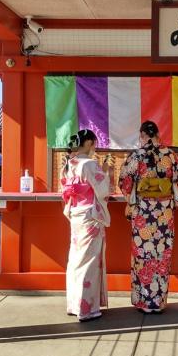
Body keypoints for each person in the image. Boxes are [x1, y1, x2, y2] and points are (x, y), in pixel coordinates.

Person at [119, 120, 178, 314]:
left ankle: (144, 302)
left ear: (142, 136)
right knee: (162, 255)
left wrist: (131, 198)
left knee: (143, 255)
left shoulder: (136, 156)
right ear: (157, 134)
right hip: (164, 213)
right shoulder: (171, 155)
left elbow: (124, 181)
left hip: (143, 212)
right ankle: (159, 302)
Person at [61, 129, 114, 322]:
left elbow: (66, 190)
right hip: (90, 216)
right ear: (90, 143)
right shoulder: (90, 165)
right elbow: (103, 191)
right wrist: (107, 170)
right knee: (89, 261)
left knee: (76, 258)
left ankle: (74, 304)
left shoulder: (69, 163)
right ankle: (86, 309)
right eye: (95, 143)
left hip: (76, 214)